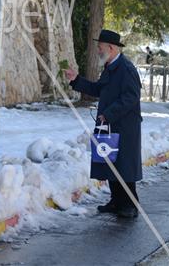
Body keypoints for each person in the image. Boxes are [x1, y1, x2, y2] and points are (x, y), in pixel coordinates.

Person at [65, 29, 142, 218]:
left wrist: (108, 114)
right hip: (110, 124)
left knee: (124, 167)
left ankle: (130, 205)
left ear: (111, 48)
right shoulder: (110, 67)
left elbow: (131, 97)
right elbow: (98, 89)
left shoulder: (126, 69)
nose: (98, 50)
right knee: (111, 164)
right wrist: (76, 80)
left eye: (100, 47)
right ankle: (116, 201)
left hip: (124, 126)